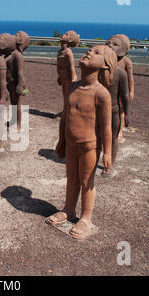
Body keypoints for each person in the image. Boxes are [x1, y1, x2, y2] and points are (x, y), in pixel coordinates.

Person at [46, 45, 116, 240]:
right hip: (70, 144)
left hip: (89, 147)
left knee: (86, 182)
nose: (88, 52)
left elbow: (106, 127)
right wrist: (61, 141)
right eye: (89, 50)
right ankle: (69, 209)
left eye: (96, 53)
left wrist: (108, 153)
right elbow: (65, 117)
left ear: (104, 66)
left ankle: (86, 217)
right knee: (72, 178)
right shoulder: (72, 87)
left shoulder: (101, 94)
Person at [99, 44, 130, 176]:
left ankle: (110, 164)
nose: (110, 45)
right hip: (97, 110)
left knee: (114, 137)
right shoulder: (96, 70)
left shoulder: (120, 72)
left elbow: (125, 95)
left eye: (114, 44)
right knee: (96, 136)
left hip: (113, 111)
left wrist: (127, 113)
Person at [106, 34, 134, 143]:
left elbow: (130, 78)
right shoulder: (105, 59)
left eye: (115, 44)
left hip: (122, 91)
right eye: (108, 43)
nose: (110, 45)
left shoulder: (126, 61)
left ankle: (120, 131)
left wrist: (131, 91)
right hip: (109, 91)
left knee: (121, 112)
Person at [6, 31, 30, 130]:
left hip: (16, 83)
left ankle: (18, 124)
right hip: (10, 82)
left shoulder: (18, 56)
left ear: (20, 41)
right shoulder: (10, 53)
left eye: (16, 35)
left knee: (18, 104)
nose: (13, 35)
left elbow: (20, 72)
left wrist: (20, 85)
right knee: (13, 103)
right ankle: (13, 120)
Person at [56, 30, 80, 115]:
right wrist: (59, 76)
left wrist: (73, 79)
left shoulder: (68, 53)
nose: (63, 34)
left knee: (69, 95)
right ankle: (65, 110)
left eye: (66, 34)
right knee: (64, 94)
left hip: (68, 78)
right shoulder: (60, 51)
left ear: (70, 40)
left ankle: (70, 112)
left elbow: (72, 67)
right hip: (63, 77)